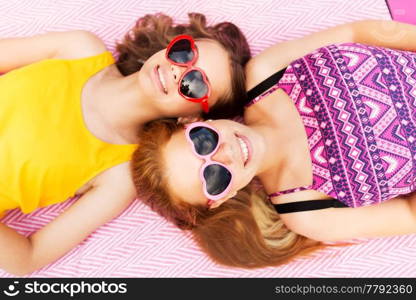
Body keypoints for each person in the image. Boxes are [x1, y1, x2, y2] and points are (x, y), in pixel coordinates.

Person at [131, 19, 416, 269]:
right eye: (213, 177)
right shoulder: (308, 215)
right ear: (220, 199)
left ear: (192, 123)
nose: (225, 154)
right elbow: (409, 214)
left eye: (203, 142)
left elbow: (356, 32)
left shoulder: (267, 73)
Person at [0, 13, 250, 275]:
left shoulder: (120, 175)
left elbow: (27, 258)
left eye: (195, 83)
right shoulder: (80, 48)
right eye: (185, 53)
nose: (178, 70)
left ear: (192, 118)